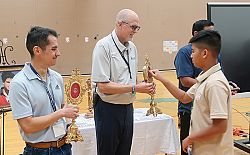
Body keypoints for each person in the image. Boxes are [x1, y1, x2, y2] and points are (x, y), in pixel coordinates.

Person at [150, 30, 233, 154]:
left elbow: (220, 126)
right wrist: (161, 79)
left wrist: (190, 138)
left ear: (205, 53)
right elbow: (184, 97)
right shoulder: (204, 78)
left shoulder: (215, 84)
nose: (191, 55)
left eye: (193, 51)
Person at [91, 9, 155, 155]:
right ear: (120, 24)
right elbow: (103, 86)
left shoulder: (132, 48)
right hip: (108, 109)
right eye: (133, 27)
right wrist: (135, 88)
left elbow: (131, 78)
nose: (135, 31)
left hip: (127, 108)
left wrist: (146, 80)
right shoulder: (103, 46)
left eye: (137, 27)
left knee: (124, 151)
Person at [9, 26, 79, 155]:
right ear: (37, 50)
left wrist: (69, 125)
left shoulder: (57, 77)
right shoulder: (19, 83)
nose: (58, 53)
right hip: (39, 151)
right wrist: (61, 114)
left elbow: (62, 106)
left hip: (65, 147)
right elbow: (28, 126)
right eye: (53, 49)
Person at [174, 19, 215, 155]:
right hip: (190, 110)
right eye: (208, 33)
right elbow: (185, 80)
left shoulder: (214, 52)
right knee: (189, 149)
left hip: (209, 108)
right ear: (196, 34)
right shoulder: (184, 53)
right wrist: (208, 85)